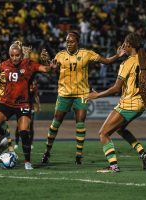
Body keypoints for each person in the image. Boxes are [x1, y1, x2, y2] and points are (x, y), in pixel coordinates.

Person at [41, 31, 125, 165]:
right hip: (64, 94)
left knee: (80, 123)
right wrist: (48, 63)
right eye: (67, 41)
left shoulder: (86, 53)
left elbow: (106, 61)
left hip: (81, 94)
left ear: (77, 42)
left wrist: (117, 55)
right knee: (55, 124)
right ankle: (47, 152)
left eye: (72, 41)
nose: (69, 44)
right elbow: (52, 69)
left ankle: (78, 155)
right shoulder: (60, 55)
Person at [0, 41, 56, 170]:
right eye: (12, 55)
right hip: (7, 102)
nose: (14, 58)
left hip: (23, 104)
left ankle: (28, 162)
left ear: (21, 54)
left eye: (17, 55)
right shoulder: (6, 64)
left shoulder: (29, 64)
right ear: (9, 55)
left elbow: (47, 69)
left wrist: (49, 63)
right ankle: (5, 134)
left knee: (24, 132)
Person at [84, 33, 146, 172]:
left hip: (129, 103)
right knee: (120, 129)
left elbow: (116, 88)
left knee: (103, 133)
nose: (123, 45)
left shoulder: (127, 63)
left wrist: (96, 95)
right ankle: (143, 153)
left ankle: (113, 166)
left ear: (129, 45)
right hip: (141, 104)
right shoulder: (144, 61)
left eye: (124, 43)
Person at [14, 79, 40, 150]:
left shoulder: (34, 86)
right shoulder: (23, 85)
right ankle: (16, 142)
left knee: (31, 126)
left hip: (30, 108)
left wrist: (38, 106)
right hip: (21, 106)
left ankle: (30, 143)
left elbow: (36, 96)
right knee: (19, 125)